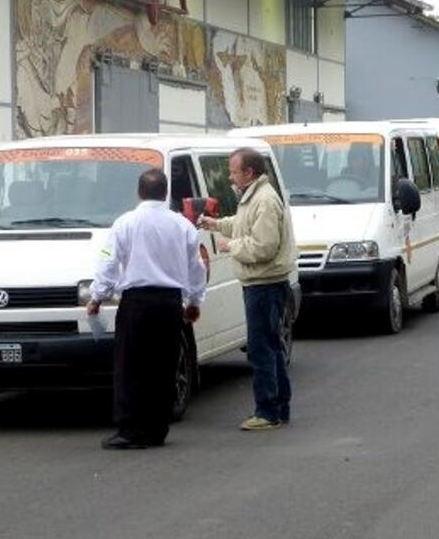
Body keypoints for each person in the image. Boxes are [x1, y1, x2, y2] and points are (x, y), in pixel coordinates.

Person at [88, 168, 207, 450]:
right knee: (162, 367)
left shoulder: (125, 223)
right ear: (165, 193)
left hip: (137, 303)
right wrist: (194, 302)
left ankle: (130, 429)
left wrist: (97, 296)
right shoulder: (182, 226)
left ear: (139, 193)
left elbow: (108, 261)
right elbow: (196, 267)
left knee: (131, 366)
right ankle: (157, 428)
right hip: (169, 303)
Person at [199, 148, 297, 431]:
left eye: (233, 171)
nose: (230, 176)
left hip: (264, 284)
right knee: (271, 344)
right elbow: (243, 226)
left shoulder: (264, 200)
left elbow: (264, 246)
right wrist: (216, 224)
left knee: (261, 348)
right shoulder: (253, 198)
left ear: (249, 173)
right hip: (260, 283)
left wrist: (232, 246)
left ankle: (267, 411)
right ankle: (279, 406)